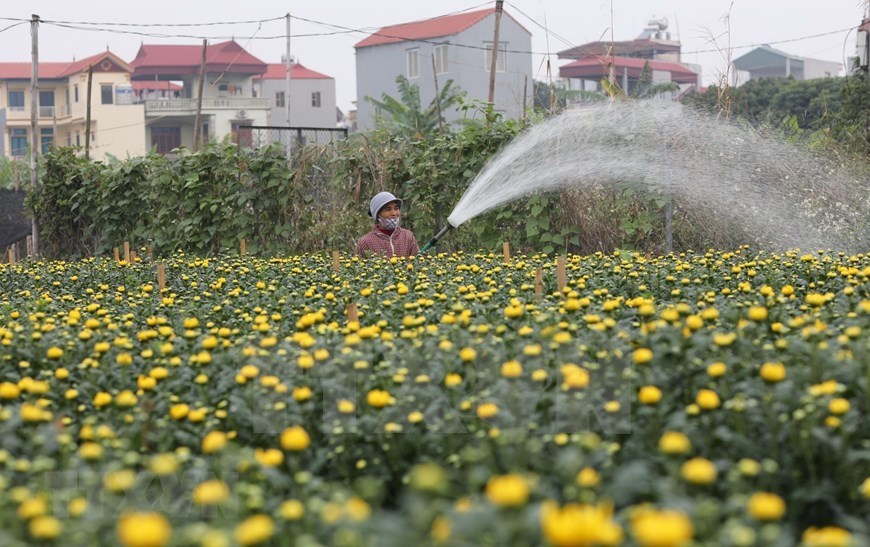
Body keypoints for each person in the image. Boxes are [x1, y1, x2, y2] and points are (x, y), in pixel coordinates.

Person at [355, 191, 419, 258]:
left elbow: (418, 262)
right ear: (378, 215)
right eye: (388, 209)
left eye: (396, 208)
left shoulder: (407, 237)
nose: (394, 213)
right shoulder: (366, 242)